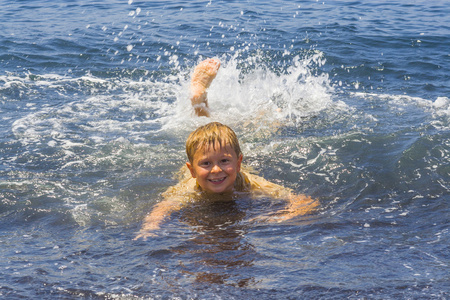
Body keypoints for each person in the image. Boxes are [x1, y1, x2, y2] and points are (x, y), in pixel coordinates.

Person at [135, 58, 318, 240]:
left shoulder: (250, 183)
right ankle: (198, 99)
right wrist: (149, 229)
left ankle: (270, 118)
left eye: (224, 161)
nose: (216, 170)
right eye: (207, 164)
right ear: (192, 171)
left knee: (262, 135)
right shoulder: (187, 189)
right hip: (198, 165)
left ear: (239, 163)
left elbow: (305, 203)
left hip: (222, 161)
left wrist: (266, 220)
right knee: (206, 139)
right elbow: (161, 210)